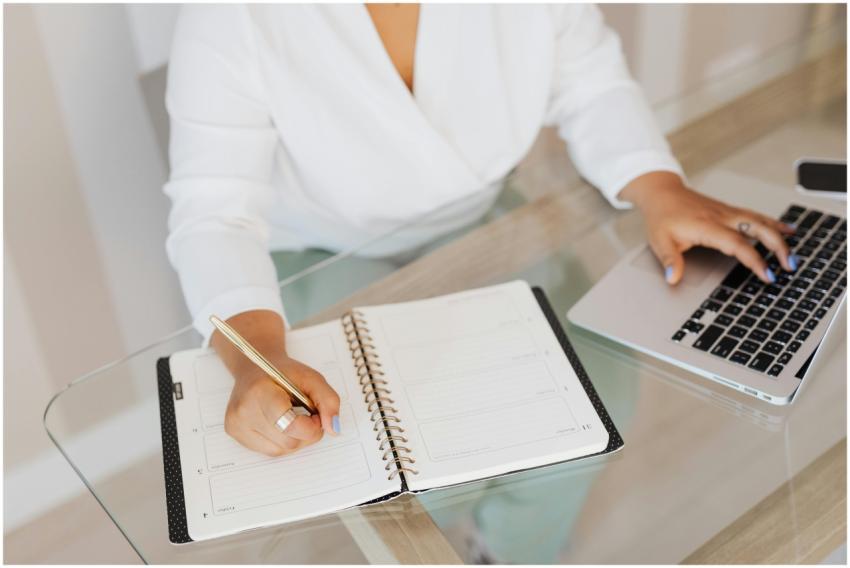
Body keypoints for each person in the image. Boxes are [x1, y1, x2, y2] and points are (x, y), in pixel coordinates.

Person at [163, 4, 797, 457]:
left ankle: (514, 547)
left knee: (597, 395)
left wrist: (658, 187)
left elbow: (590, 83)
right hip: (318, 251)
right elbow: (217, 213)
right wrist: (258, 357)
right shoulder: (229, 16)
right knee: (408, 434)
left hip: (479, 222)